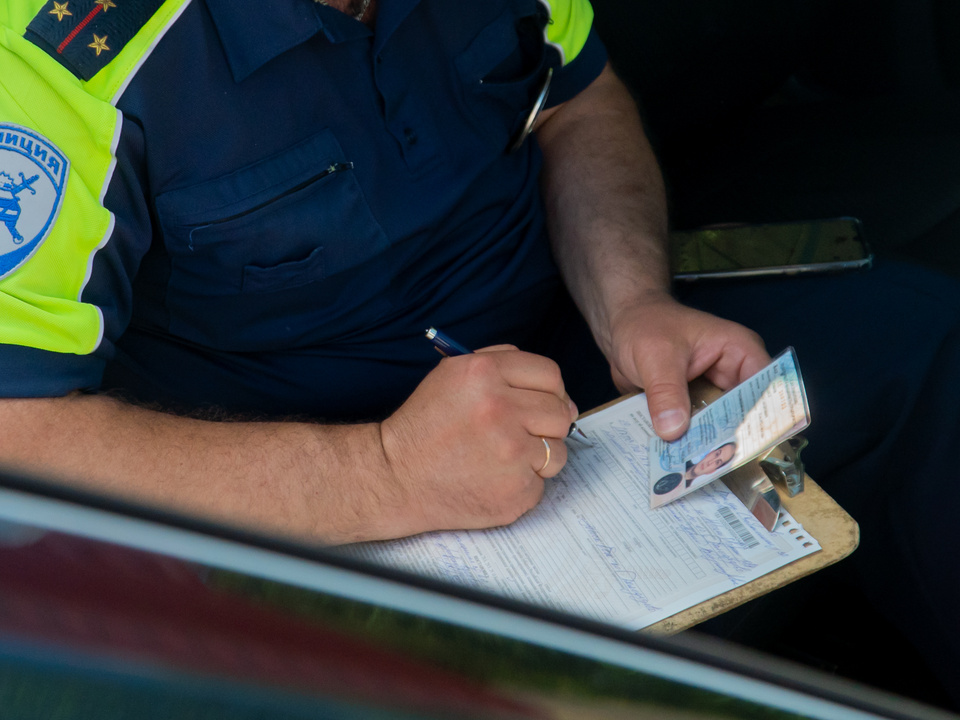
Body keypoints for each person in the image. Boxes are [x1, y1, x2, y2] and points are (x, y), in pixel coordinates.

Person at [2, 0, 960, 702]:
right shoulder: (56, 58)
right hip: (294, 481)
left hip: (561, 356)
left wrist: (632, 302)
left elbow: (578, 105)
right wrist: (383, 475)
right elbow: (19, 436)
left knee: (921, 346)